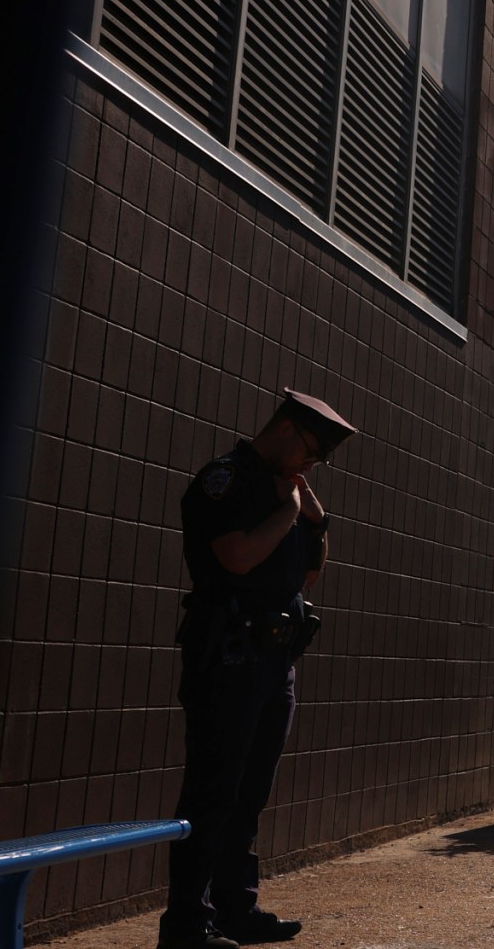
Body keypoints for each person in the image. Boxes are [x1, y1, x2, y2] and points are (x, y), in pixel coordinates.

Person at [159, 390, 355, 949]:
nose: (309, 466)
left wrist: (316, 523)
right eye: (311, 453)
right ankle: (186, 925)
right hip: (228, 654)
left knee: (251, 794)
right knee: (213, 789)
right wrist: (290, 511)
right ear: (288, 431)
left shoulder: (285, 488)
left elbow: (306, 580)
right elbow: (238, 556)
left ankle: (234, 909)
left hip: (274, 659)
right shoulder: (227, 479)